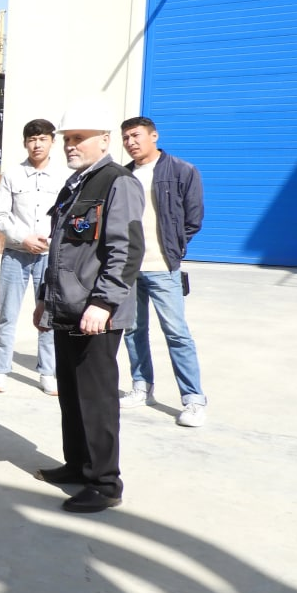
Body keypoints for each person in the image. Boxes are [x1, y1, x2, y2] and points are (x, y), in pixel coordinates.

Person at [33, 98, 144, 514]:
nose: (70, 145)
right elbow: (59, 249)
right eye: (67, 138)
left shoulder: (117, 182)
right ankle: (79, 465)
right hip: (67, 308)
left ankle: (104, 482)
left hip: (96, 313)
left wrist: (103, 302)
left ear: (104, 140)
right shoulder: (76, 184)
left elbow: (126, 249)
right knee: (72, 394)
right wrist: (44, 299)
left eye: (79, 138)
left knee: (96, 400)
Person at [118, 116, 208, 427]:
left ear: (153, 136)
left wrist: (174, 247)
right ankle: (142, 387)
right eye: (126, 138)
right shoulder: (123, 176)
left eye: (136, 135)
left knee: (177, 333)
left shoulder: (182, 170)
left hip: (162, 267)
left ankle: (194, 400)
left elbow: (193, 218)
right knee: (132, 331)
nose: (131, 142)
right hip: (129, 268)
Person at [0, 119, 68, 396]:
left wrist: (50, 242)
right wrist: (23, 238)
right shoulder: (12, 175)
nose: (37, 144)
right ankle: (0, 371)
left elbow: (67, 216)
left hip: (49, 257)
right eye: (32, 139)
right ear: (25, 143)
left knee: (48, 316)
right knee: (7, 315)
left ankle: (47, 373)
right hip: (16, 255)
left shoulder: (63, 177)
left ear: (52, 142)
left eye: (42, 139)